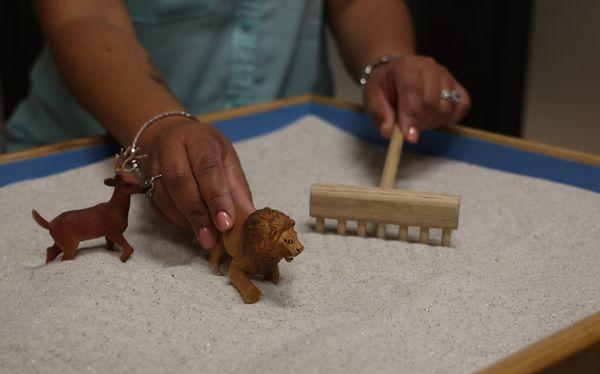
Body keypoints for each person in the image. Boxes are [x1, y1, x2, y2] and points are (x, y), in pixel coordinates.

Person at [5, 0, 470, 249]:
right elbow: (85, 14)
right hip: (73, 147)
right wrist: (160, 126)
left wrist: (387, 60)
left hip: (288, 139)